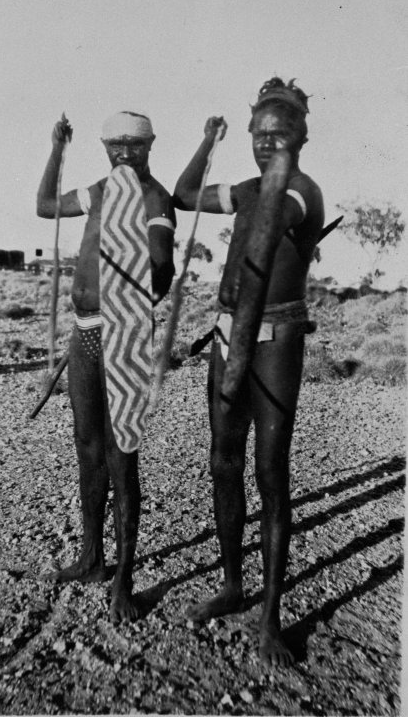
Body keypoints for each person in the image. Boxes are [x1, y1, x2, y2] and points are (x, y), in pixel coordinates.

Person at [173, 78, 324, 666]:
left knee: (270, 471)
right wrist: (209, 142)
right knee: (223, 461)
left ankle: (270, 619)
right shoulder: (246, 188)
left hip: (274, 340)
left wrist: (272, 179)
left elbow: (273, 222)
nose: (266, 144)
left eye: (278, 133)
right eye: (259, 134)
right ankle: (234, 584)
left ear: (301, 137)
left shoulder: (300, 193)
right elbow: (186, 195)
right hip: (225, 336)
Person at [37, 110, 176, 622]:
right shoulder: (96, 192)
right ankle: (92, 559)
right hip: (85, 333)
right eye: (114, 144)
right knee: (87, 446)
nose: (123, 152)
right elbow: (46, 206)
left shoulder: (155, 198)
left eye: (132, 145)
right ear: (103, 146)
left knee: (122, 453)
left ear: (149, 146)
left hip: (125, 337)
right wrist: (57, 150)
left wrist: (137, 277)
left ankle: (124, 580)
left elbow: (161, 272)